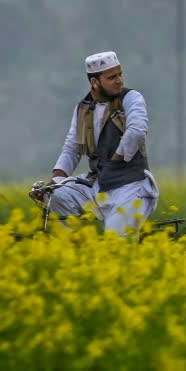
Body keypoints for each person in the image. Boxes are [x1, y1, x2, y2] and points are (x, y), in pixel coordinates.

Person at [41, 51, 158, 235]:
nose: (119, 80)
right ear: (94, 82)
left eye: (120, 74)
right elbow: (72, 148)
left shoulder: (131, 98)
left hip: (130, 186)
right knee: (57, 196)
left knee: (115, 244)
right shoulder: (83, 108)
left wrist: (116, 160)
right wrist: (56, 181)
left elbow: (136, 132)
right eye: (111, 77)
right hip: (98, 185)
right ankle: (73, 250)